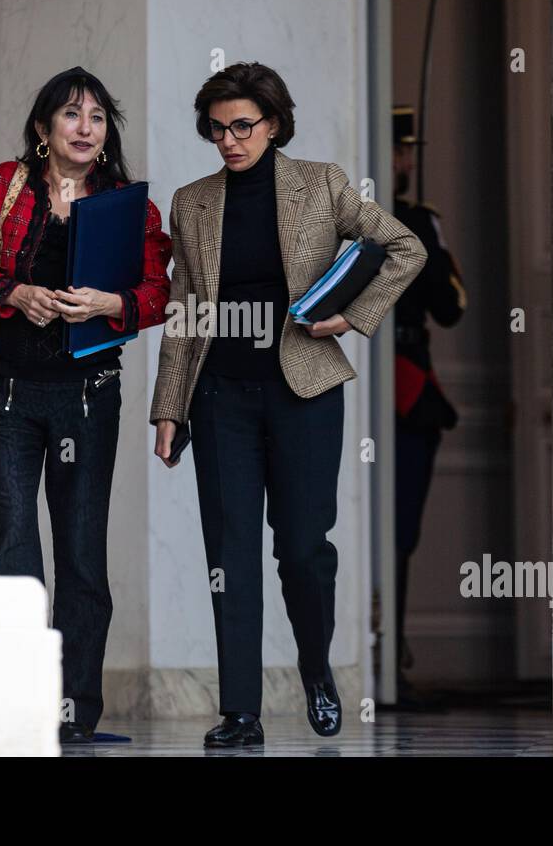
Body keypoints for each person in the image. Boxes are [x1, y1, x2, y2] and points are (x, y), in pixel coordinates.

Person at [150, 61, 427, 747]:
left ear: (273, 123)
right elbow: (185, 308)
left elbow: (404, 247)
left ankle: (315, 669)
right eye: (217, 130)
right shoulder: (192, 202)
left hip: (302, 390)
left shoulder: (321, 183)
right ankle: (239, 711)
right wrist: (168, 407)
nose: (230, 141)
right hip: (218, 397)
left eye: (243, 126)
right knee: (230, 552)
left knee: (303, 550)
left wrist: (350, 318)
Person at [0, 66, 171, 743]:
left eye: (97, 117)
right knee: (15, 545)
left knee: (81, 555)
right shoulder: (0, 188)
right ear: (44, 129)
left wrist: (113, 304)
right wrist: (10, 292)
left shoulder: (130, 206)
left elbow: (158, 292)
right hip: (7, 395)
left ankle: (75, 715)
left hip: (90, 397)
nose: (85, 128)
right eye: (71, 115)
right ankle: (11, 706)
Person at [389, 105, 466, 705]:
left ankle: (395, 648)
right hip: (354, 372)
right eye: (396, 148)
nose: (403, 160)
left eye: (407, 150)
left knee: (404, 528)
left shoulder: (419, 221)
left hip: (409, 383)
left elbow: (450, 308)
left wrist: (416, 246)